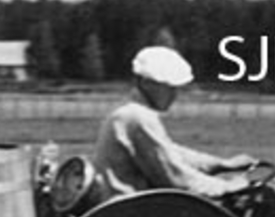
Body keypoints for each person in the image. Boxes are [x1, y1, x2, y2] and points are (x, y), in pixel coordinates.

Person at [93, 45, 256, 200]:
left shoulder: (130, 112)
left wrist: (221, 164)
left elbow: (170, 153)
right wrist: (227, 187)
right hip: (131, 213)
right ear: (145, 83)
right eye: (167, 87)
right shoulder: (137, 117)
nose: (173, 94)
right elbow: (175, 176)